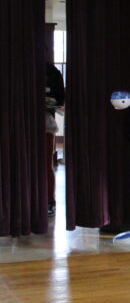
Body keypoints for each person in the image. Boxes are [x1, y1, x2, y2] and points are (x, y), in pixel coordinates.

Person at [46, 61, 65, 217]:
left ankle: (49, 201)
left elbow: (59, 99)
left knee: (45, 164)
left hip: (45, 123)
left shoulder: (51, 72)